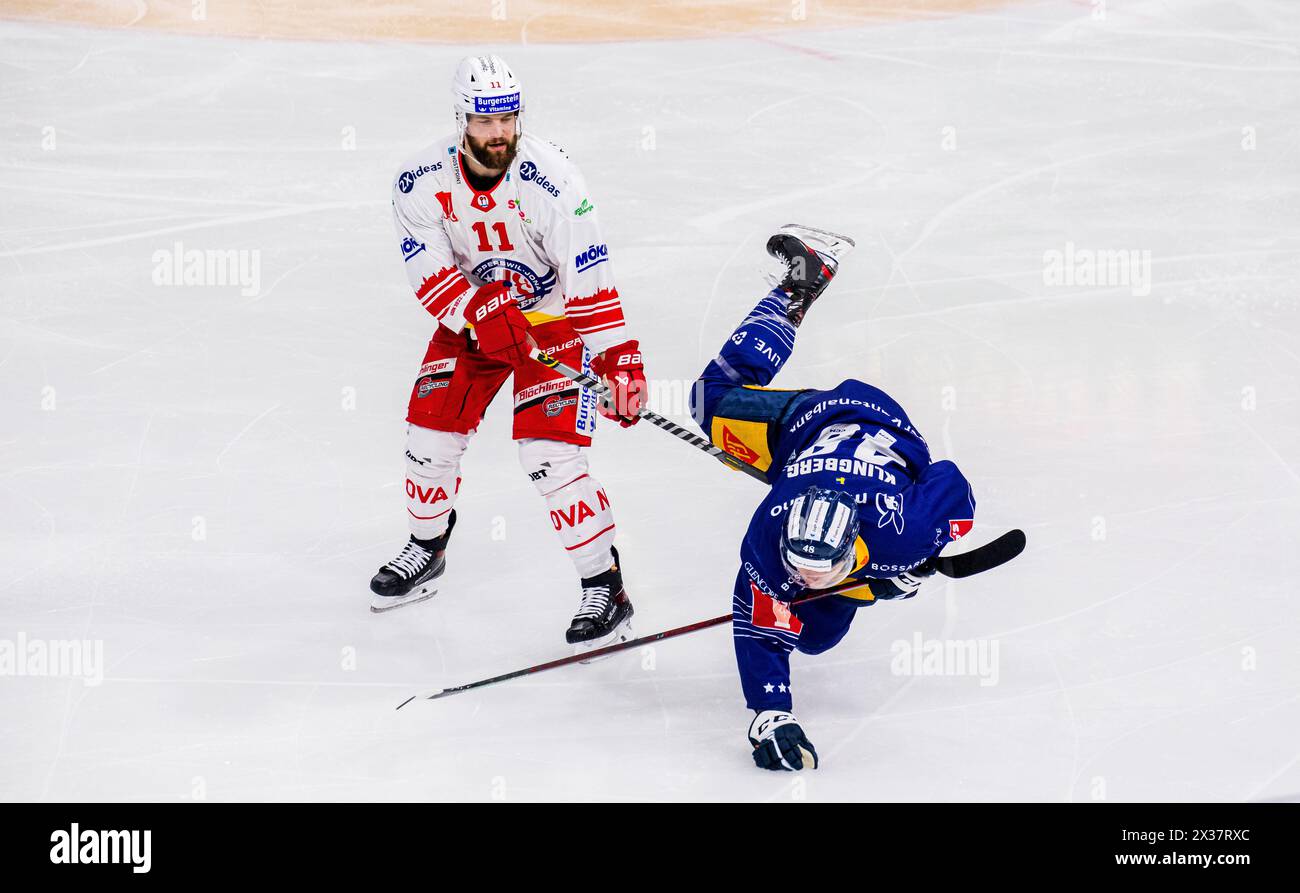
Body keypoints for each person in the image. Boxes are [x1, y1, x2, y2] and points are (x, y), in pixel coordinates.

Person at [371, 54, 645, 654]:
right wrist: (477, 311)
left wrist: (617, 356)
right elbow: (428, 269)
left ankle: (606, 586)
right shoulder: (419, 180)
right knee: (428, 437)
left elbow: (588, 272)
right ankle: (428, 544)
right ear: (462, 119)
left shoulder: (554, 181)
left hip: (551, 324)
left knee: (550, 458)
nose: (499, 134)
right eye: (485, 121)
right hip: (472, 321)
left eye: (508, 119)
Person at [689, 225, 977, 771]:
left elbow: (950, 481)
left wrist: (909, 562)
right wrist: (770, 714)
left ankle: (858, 593)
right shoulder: (769, 537)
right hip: (804, 425)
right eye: (802, 567)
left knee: (817, 634)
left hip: (874, 425)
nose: (805, 576)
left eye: (822, 569)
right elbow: (758, 626)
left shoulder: (903, 529)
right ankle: (801, 282)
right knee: (711, 400)